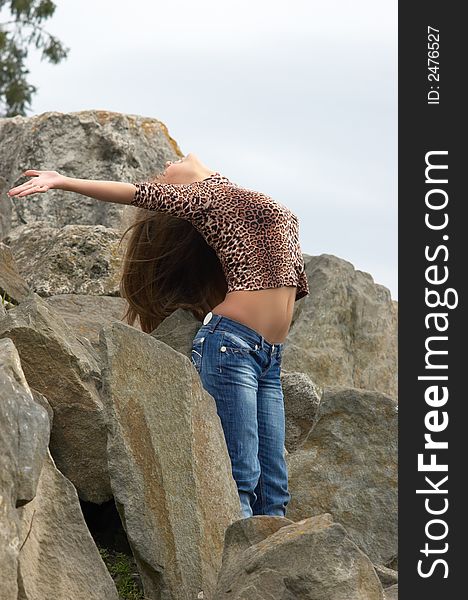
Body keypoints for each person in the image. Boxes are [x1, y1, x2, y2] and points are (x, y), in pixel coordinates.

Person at [7, 152, 309, 518]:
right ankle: (234, 570)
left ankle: (268, 571)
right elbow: (132, 193)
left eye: (166, 168)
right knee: (242, 477)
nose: (165, 168)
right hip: (231, 346)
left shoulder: (234, 196)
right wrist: (62, 180)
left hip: (269, 357)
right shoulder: (202, 197)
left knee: (274, 491)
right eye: (163, 178)